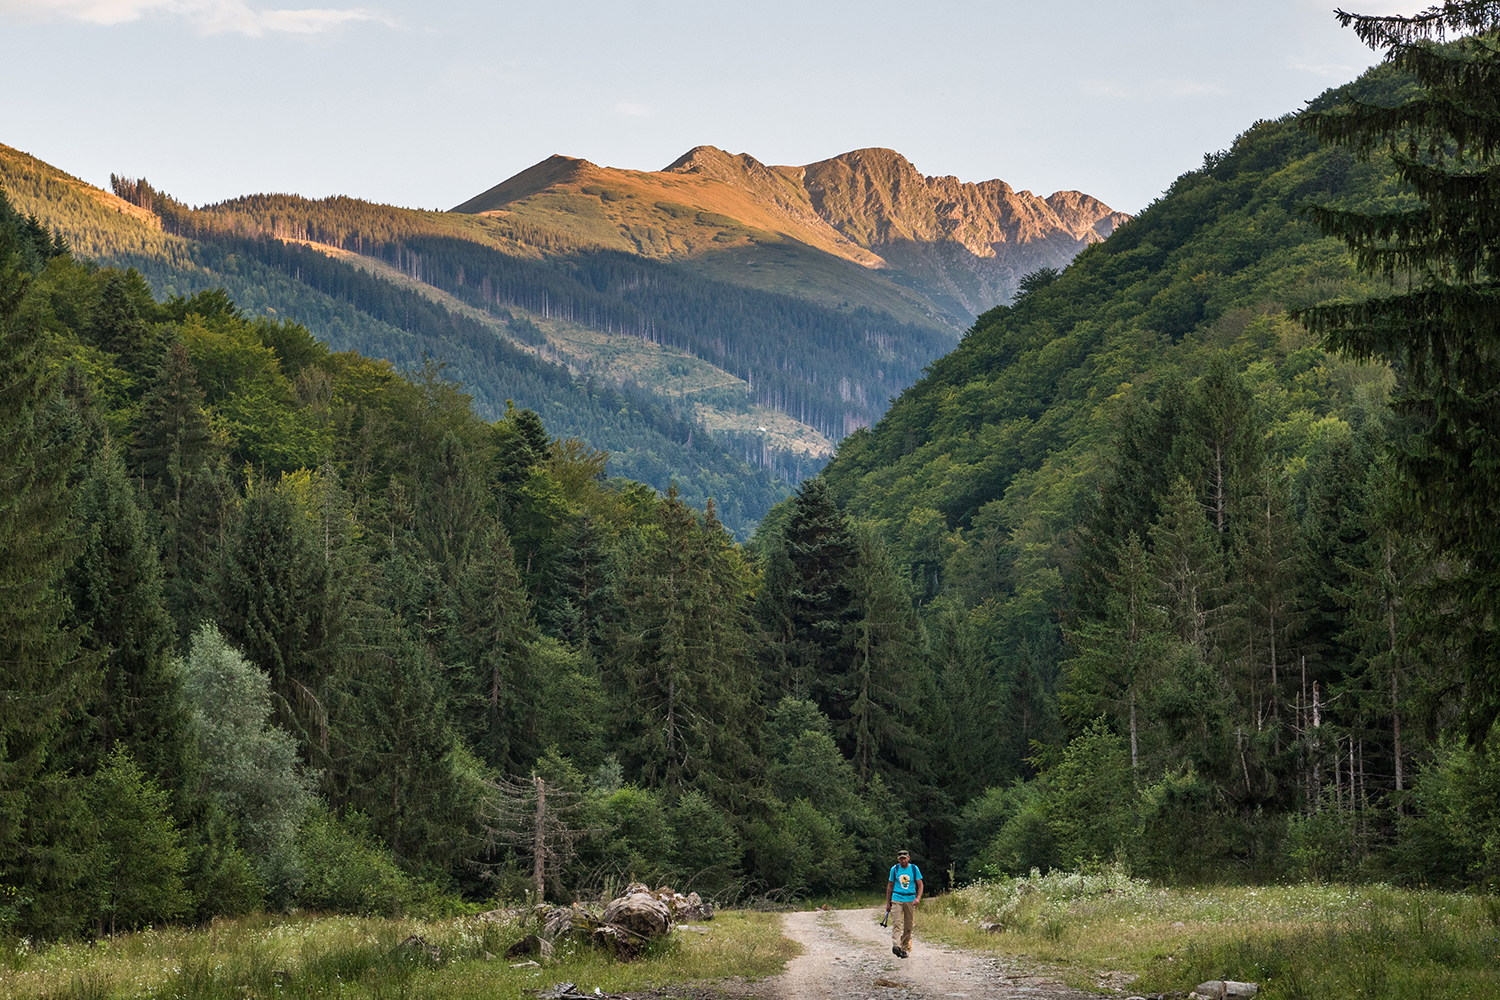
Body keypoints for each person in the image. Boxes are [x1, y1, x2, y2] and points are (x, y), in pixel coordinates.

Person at [884, 849, 923, 958]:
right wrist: (888, 902)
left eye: (904, 858)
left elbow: (920, 885)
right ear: (898, 859)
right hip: (897, 898)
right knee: (896, 923)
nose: (903, 860)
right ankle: (896, 945)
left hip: (910, 899)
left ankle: (904, 948)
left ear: (908, 858)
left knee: (908, 925)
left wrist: (918, 898)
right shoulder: (895, 869)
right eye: (901, 858)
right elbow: (890, 886)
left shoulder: (914, 869)